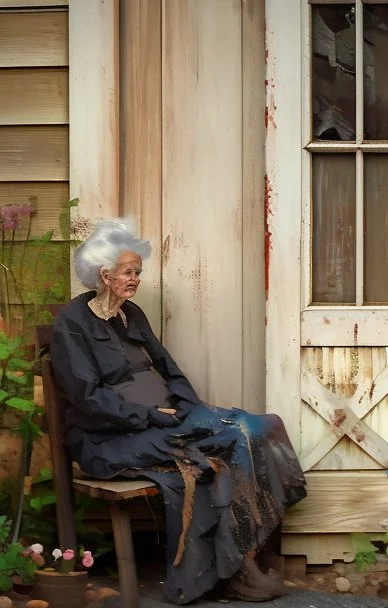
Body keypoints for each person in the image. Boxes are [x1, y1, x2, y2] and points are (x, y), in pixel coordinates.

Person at [50, 219, 307, 604]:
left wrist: (187, 403)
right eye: (128, 271)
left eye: (138, 271)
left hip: (162, 420)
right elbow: (88, 397)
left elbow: (166, 364)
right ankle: (232, 568)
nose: (135, 278)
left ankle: (239, 556)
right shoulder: (72, 325)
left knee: (263, 426)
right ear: (104, 274)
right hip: (110, 438)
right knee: (237, 433)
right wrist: (149, 416)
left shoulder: (130, 314)